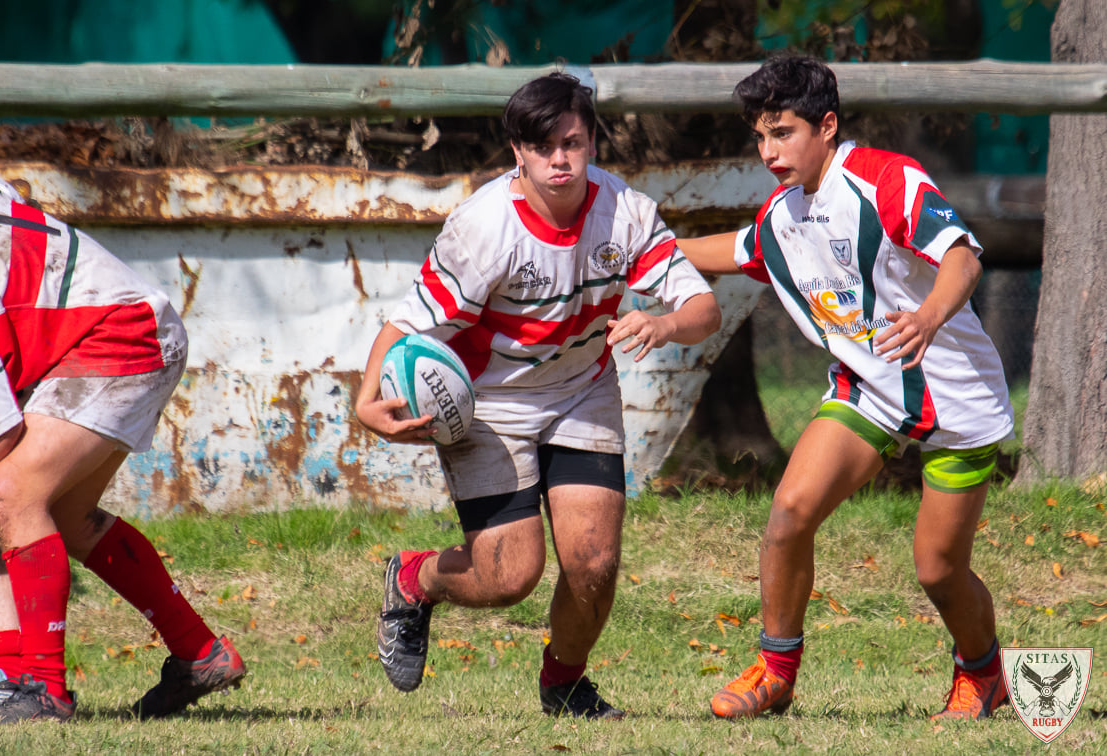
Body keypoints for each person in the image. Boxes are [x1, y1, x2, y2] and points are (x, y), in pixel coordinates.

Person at [355, 72, 721, 719]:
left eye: (572, 143)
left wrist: (664, 324)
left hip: (582, 390)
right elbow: (408, 324)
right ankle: (414, 579)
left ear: (592, 142)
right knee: (508, 576)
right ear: (517, 152)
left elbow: (703, 308)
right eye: (543, 147)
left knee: (594, 563)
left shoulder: (625, 213)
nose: (560, 160)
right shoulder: (483, 226)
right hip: (490, 403)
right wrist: (365, 401)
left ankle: (565, 685)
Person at [677, 55, 1014, 722]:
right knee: (789, 512)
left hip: (958, 397)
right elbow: (739, 249)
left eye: (783, 133)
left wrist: (928, 316)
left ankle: (984, 676)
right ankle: (776, 674)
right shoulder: (784, 211)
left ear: (827, 126)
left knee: (937, 569)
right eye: (760, 136)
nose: (769, 152)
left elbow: (962, 257)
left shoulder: (887, 180)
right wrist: (646, 254)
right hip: (869, 389)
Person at [0, 177, 246, 723]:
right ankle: (199, 652)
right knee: (63, 517)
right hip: (114, 327)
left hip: (121, 333)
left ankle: (39, 688)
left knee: (9, 491)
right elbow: (14, 199)